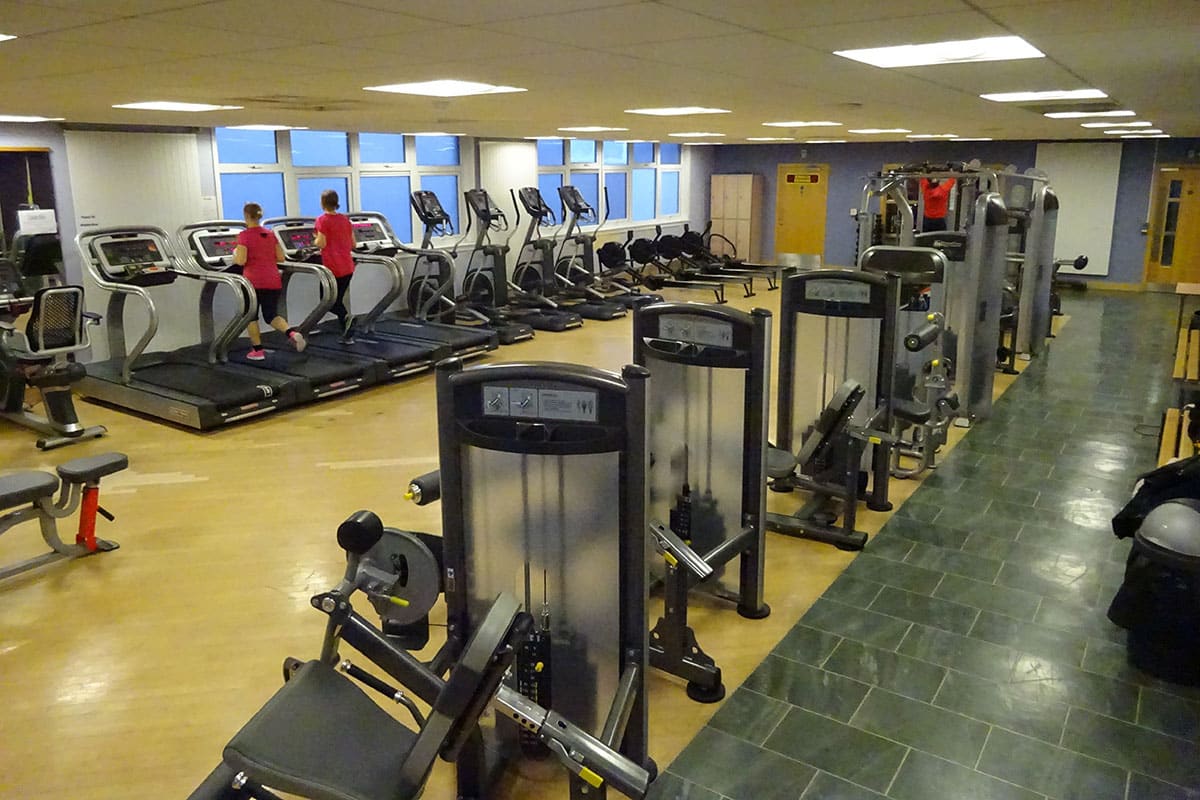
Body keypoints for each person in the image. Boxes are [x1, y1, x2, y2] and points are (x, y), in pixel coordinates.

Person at [233, 202, 306, 361]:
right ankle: (292, 333)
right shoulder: (270, 234)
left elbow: (240, 260)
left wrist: (234, 254)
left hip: (252, 282)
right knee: (271, 315)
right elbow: (280, 257)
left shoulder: (244, 236)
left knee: (250, 316)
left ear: (246, 216)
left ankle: (257, 351)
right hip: (273, 280)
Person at [312, 189, 356, 343]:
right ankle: (347, 335)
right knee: (337, 301)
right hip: (348, 266)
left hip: (332, 268)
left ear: (322, 202)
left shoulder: (322, 220)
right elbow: (353, 243)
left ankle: (346, 317)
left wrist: (315, 240)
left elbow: (321, 243)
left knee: (327, 301)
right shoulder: (345, 220)